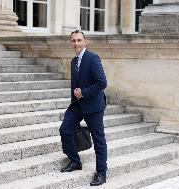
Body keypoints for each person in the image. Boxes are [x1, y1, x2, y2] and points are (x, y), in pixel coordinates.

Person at [59, 30, 108, 186]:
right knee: (65, 129)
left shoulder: (92, 58)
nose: (76, 43)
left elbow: (102, 83)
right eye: (73, 41)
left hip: (93, 106)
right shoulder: (74, 61)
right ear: (71, 43)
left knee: (99, 140)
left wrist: (83, 93)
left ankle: (101, 172)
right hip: (78, 105)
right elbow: (75, 85)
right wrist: (74, 100)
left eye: (79, 40)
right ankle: (75, 161)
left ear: (85, 42)